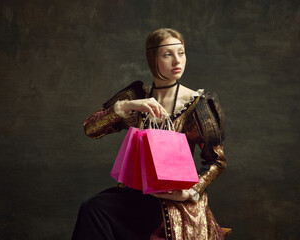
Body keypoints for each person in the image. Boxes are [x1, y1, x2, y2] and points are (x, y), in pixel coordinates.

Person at [72, 28, 227, 240]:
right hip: (136, 195)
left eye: (181, 53)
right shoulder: (136, 97)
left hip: (174, 202)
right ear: (152, 58)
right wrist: (127, 105)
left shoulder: (197, 104)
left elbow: (217, 161)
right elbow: (90, 129)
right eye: (167, 54)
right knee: (92, 208)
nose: (177, 61)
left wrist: (191, 192)